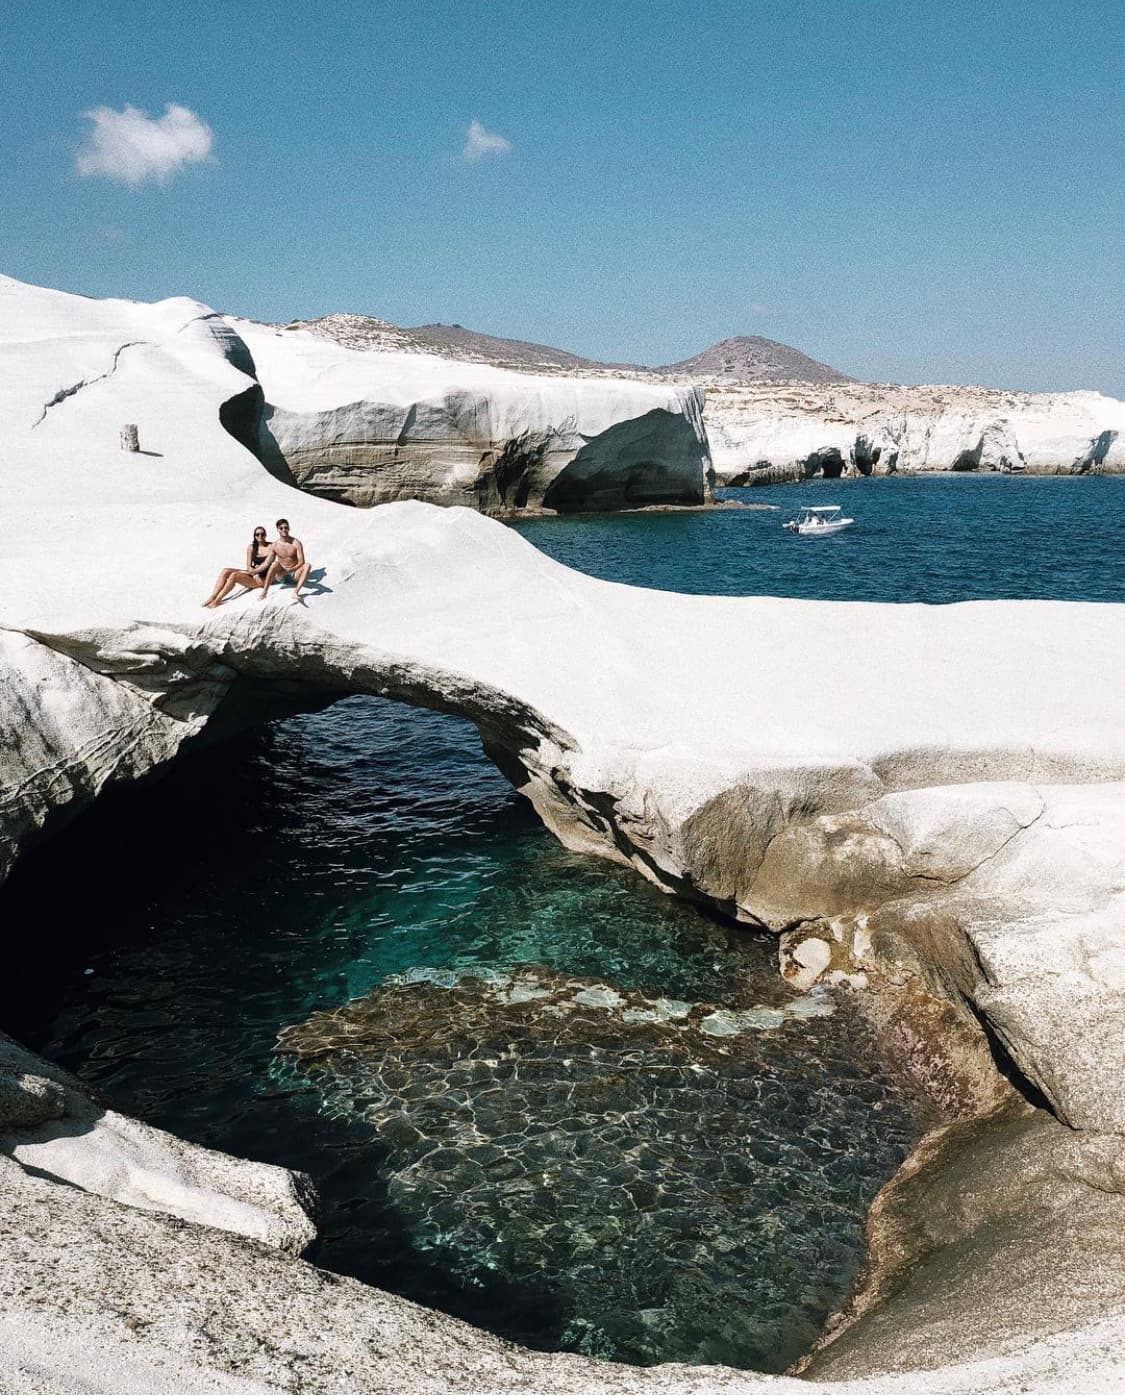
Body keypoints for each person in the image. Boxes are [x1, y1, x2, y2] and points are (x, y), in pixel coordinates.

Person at [202, 527, 274, 608]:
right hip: (254, 575)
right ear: (254, 536)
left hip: (263, 579)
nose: (260, 536)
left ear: (266, 535)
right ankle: (213, 596)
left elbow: (267, 564)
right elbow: (248, 566)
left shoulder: (271, 547)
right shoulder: (251, 547)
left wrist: (255, 573)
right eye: (257, 534)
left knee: (234, 575)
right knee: (226, 571)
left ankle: (217, 601)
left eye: (262, 534)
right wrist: (253, 573)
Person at [259, 518, 311, 599]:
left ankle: (295, 592)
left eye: (286, 527)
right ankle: (264, 592)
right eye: (281, 528)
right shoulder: (275, 545)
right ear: (278, 530)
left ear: (289, 528)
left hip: (294, 574)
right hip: (282, 574)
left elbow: (301, 561)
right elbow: (267, 562)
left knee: (307, 565)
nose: (284, 530)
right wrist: (254, 571)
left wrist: (292, 569)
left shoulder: (296, 543)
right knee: (275, 564)